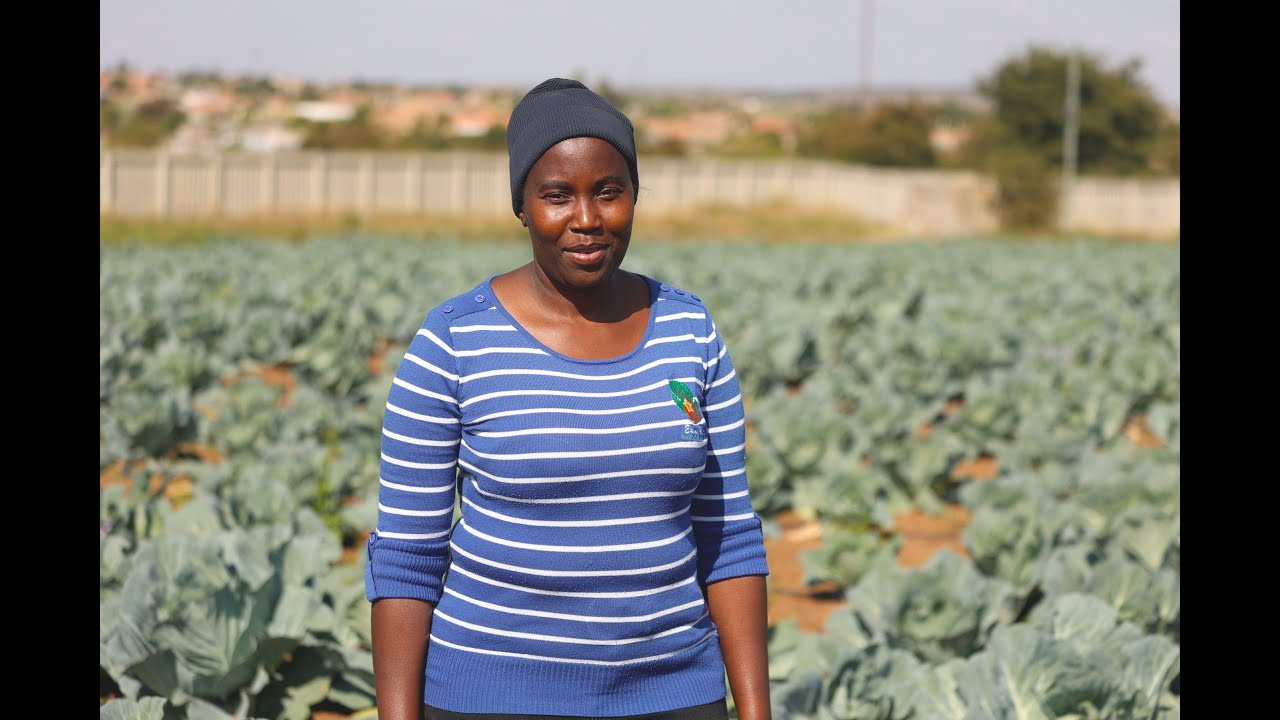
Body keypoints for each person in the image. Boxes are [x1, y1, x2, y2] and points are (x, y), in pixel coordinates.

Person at [366, 77, 771, 720]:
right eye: (558, 196)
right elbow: (407, 560)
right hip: (489, 699)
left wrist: (754, 711)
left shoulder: (689, 331)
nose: (586, 219)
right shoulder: (453, 343)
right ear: (522, 206)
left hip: (674, 693)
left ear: (635, 196)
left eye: (608, 192)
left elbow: (728, 537)